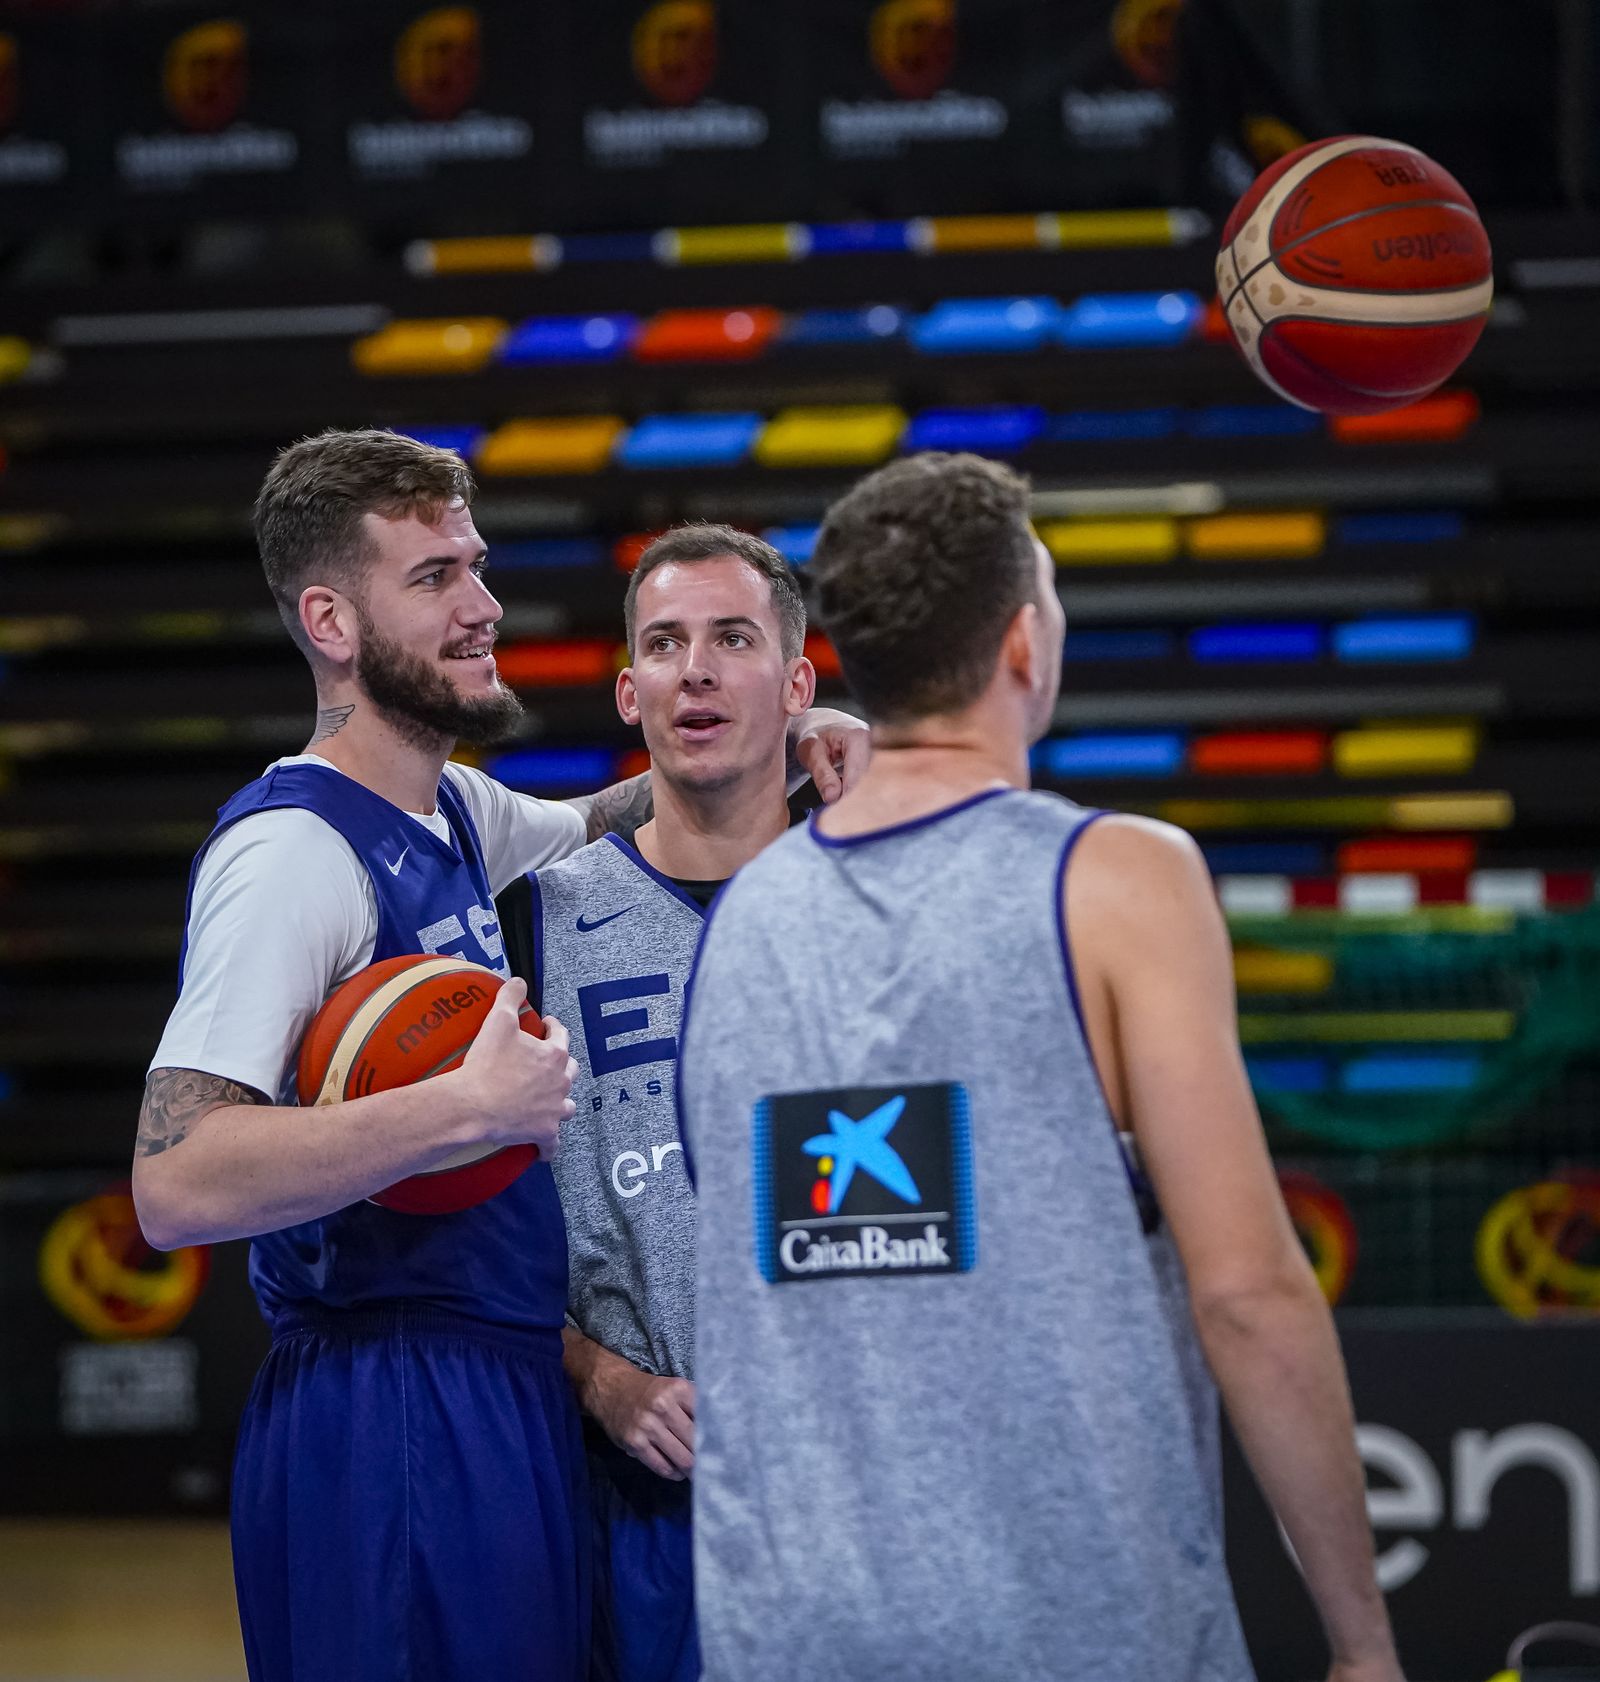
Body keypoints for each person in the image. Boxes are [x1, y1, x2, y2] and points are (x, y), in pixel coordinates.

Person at [130, 430, 864, 1682]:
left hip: (499, 1382)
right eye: (433, 579)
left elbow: (621, 809)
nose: (483, 606)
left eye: (475, 565)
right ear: (331, 620)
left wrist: (795, 735)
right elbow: (175, 1180)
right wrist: (461, 1108)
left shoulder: (455, 812)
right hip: (385, 1397)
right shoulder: (291, 853)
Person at [677, 452, 1404, 1682]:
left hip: (789, 1629)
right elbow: (1247, 1292)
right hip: (1072, 1623)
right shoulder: (1122, 879)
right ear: (1025, 643)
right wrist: (1361, 1639)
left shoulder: (743, 918)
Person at [494, 523, 833, 1682]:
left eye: (732, 639)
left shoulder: (880, 898)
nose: (695, 667)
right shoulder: (531, 918)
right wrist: (600, 1376)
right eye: (665, 642)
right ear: (628, 689)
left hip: (863, 1488)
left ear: (795, 685)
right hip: (637, 1504)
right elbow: (475, 1240)